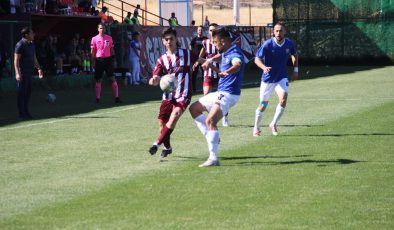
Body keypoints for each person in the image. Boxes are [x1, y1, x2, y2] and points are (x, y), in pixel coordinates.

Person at [189, 27, 245, 167]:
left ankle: (213, 158)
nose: (214, 45)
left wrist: (227, 71)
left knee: (210, 121)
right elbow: (221, 57)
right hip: (221, 91)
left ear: (224, 41)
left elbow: (237, 64)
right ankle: (210, 135)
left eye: (215, 42)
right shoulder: (226, 51)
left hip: (229, 94)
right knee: (194, 109)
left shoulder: (235, 52)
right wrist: (210, 60)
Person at [148, 27, 194, 158]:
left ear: (176, 39)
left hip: (184, 94)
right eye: (166, 39)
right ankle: (167, 148)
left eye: (171, 39)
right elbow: (154, 78)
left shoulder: (187, 54)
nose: (169, 41)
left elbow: (201, 59)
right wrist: (154, 81)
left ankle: (156, 144)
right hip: (168, 95)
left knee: (175, 116)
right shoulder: (161, 60)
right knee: (162, 123)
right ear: (163, 41)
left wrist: (210, 64)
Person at [252, 21, 298, 137]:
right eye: (276, 31)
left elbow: (294, 54)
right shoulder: (268, 44)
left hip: (281, 77)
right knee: (263, 105)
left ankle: (273, 123)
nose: (278, 33)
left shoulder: (289, 43)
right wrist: (264, 67)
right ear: (273, 32)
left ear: (285, 32)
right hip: (268, 79)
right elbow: (257, 59)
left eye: (281, 31)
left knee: (283, 98)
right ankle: (256, 127)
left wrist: (296, 70)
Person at [14, 27, 44, 119]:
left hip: (29, 73)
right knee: (21, 94)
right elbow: (16, 61)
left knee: (27, 94)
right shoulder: (20, 45)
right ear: (26, 35)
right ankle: (21, 114)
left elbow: (34, 58)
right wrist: (17, 73)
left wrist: (39, 68)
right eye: (32, 33)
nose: (33, 34)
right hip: (22, 73)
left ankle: (26, 112)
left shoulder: (32, 44)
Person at [90, 23, 121, 103]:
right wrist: (93, 61)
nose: (102, 29)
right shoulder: (94, 39)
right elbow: (93, 51)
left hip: (108, 60)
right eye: (100, 28)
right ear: (98, 29)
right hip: (99, 60)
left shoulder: (109, 38)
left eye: (103, 28)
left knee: (112, 78)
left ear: (105, 29)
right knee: (98, 80)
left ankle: (117, 97)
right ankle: (97, 98)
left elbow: (112, 50)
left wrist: (114, 60)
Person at [189, 25, 207, 93]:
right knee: (194, 74)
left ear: (203, 31)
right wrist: (192, 55)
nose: (200, 31)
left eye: (201, 30)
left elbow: (206, 48)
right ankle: (193, 89)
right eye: (199, 30)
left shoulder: (205, 39)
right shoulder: (194, 39)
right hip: (195, 60)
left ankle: (205, 88)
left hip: (203, 59)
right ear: (197, 31)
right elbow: (190, 47)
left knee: (204, 74)